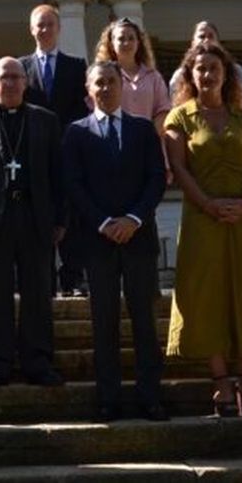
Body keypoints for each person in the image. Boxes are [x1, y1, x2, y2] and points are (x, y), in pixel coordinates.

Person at [164, 42, 242, 417]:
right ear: (190, 75)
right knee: (208, 295)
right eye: (200, 68)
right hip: (202, 218)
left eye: (214, 68)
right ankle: (221, 380)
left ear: (226, 75)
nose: (207, 74)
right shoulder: (179, 117)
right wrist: (208, 204)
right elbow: (179, 169)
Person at [61, 62, 168, 423]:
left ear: (121, 86)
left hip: (139, 238)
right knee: (103, 322)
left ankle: (150, 398)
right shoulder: (76, 133)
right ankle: (108, 399)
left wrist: (133, 219)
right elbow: (73, 184)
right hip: (98, 241)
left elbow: (156, 178)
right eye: (99, 83)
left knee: (144, 321)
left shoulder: (142, 129)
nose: (106, 88)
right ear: (89, 91)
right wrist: (104, 222)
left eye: (111, 82)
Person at [0, 57, 66, 389]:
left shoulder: (46, 120)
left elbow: (58, 174)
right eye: (3, 78)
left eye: (16, 77)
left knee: (38, 292)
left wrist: (60, 219)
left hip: (35, 217)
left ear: (25, 82)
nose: (10, 83)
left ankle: (38, 361)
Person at [19, 4, 89, 297]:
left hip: (67, 152)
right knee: (39, 214)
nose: (45, 29)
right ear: (31, 29)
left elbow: (80, 110)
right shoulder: (21, 67)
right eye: (40, 24)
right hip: (34, 154)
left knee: (70, 214)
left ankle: (72, 278)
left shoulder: (76, 66)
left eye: (50, 24)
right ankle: (43, 279)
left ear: (59, 29)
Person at [93, 17, 172, 134]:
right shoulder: (103, 77)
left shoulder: (153, 77)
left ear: (138, 43)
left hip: (148, 139)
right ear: (111, 44)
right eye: (121, 39)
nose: (127, 43)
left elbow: (163, 110)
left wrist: (147, 135)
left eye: (131, 38)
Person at [169, 21, 242, 113]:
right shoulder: (179, 76)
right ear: (193, 43)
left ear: (218, 43)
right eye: (202, 36)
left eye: (211, 36)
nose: (206, 40)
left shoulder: (237, 72)